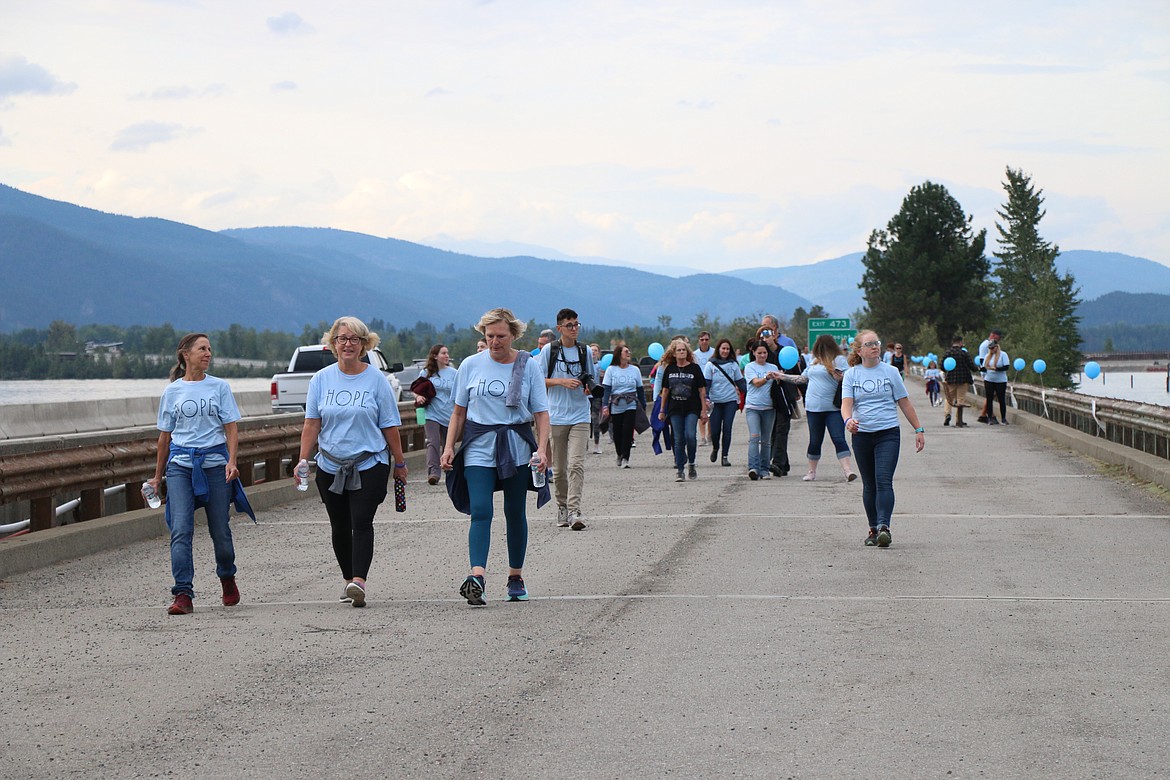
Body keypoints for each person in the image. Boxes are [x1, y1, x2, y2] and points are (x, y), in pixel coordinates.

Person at [441, 308, 550, 606]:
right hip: (478, 446)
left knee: (515, 512)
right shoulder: (470, 365)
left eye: (501, 336)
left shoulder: (528, 366)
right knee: (480, 511)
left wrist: (541, 449)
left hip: (515, 446)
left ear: (513, 335)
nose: (494, 342)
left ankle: (516, 576)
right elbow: (459, 412)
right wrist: (449, 446)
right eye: (489, 336)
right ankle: (477, 577)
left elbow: (541, 413)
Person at [297, 317, 407, 608]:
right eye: (342, 339)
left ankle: (359, 580)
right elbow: (311, 423)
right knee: (339, 525)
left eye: (354, 339)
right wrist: (303, 459)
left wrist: (399, 462)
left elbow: (390, 426)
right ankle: (348, 579)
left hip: (369, 463)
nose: (347, 344)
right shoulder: (321, 379)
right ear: (333, 344)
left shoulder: (376, 380)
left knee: (361, 520)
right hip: (330, 465)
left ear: (364, 344)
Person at [150, 333, 254, 615]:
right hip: (180, 466)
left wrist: (231, 461)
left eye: (210, 349)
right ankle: (183, 593)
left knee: (220, 530)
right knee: (181, 529)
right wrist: (157, 478)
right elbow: (164, 438)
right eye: (202, 349)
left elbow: (231, 427)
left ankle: (227, 575)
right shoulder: (172, 392)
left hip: (214, 466)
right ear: (185, 354)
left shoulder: (219, 387)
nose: (208, 353)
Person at [840, 330, 925, 548]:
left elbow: (904, 402)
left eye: (876, 343)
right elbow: (846, 404)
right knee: (869, 485)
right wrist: (848, 420)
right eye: (869, 344)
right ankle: (873, 528)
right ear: (859, 351)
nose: (875, 347)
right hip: (862, 435)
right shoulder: (852, 375)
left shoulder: (891, 372)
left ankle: (884, 527)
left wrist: (918, 429)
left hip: (888, 433)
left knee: (883, 480)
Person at [539, 308, 596, 530]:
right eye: (570, 325)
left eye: (577, 324)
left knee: (576, 464)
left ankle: (574, 511)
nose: (574, 329)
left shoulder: (585, 352)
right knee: (560, 469)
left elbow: (591, 378)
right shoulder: (549, 351)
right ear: (559, 328)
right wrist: (561, 381)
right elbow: (538, 380)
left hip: (580, 414)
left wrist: (588, 388)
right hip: (556, 415)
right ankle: (562, 506)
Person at [775, 334, 857, 482]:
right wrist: (782, 377)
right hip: (813, 408)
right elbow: (802, 378)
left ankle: (847, 470)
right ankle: (811, 471)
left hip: (833, 409)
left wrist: (836, 373)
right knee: (814, 440)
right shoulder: (814, 362)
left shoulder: (838, 360)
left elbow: (847, 377)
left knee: (838, 438)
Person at [657, 338, 708, 481]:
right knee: (678, 438)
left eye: (683, 350)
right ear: (673, 353)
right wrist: (662, 410)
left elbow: (702, 391)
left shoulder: (694, 369)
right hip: (675, 408)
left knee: (690, 436)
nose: (681, 352)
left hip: (691, 407)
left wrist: (704, 410)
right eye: (678, 350)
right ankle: (680, 469)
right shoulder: (670, 369)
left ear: (687, 352)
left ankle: (691, 463)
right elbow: (665, 391)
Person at [416, 344, 457, 485]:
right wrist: (418, 397)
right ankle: (433, 472)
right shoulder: (426, 373)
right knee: (433, 442)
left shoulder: (454, 373)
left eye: (447, 353)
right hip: (431, 413)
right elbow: (417, 388)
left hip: (449, 414)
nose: (446, 356)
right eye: (443, 353)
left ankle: (449, 469)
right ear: (435, 356)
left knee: (448, 444)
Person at [702, 337, 744, 467]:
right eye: (723, 348)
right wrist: (706, 398)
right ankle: (715, 448)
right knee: (715, 430)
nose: (725, 351)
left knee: (727, 428)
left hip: (730, 401)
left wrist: (750, 392)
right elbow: (706, 384)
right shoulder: (711, 365)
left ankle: (725, 456)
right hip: (715, 402)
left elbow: (740, 382)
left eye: (727, 349)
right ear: (718, 350)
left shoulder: (733, 365)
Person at [601, 345, 645, 468]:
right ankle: (619, 453)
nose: (628, 353)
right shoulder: (611, 370)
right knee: (617, 431)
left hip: (630, 403)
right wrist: (605, 406)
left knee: (627, 431)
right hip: (616, 404)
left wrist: (643, 405)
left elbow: (640, 389)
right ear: (619, 354)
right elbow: (607, 390)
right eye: (626, 351)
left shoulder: (635, 370)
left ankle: (626, 457)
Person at [743, 342, 782, 481]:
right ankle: (753, 467)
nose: (762, 355)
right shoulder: (749, 367)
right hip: (753, 407)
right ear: (753, 352)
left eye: (764, 353)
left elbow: (779, 385)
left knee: (766, 440)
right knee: (754, 437)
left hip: (769, 408)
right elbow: (756, 383)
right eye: (759, 353)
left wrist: (779, 377)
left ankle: (764, 469)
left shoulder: (773, 367)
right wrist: (767, 377)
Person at [942, 334, 980, 428]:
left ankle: (947, 414)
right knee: (960, 399)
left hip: (951, 379)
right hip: (963, 380)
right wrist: (978, 368)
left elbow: (942, 366)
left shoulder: (948, 353)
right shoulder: (964, 353)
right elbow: (971, 366)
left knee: (949, 399)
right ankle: (958, 420)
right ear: (960, 342)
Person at [693, 331, 715, 446]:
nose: (704, 342)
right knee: (702, 410)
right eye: (702, 340)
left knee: (710, 410)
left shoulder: (714, 353)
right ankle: (702, 436)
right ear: (699, 341)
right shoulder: (694, 355)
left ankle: (710, 435)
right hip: (698, 386)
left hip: (711, 385)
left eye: (706, 339)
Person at [982, 339, 1011, 425]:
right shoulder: (987, 356)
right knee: (989, 399)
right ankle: (990, 417)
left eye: (992, 348)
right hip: (989, 379)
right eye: (990, 348)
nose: (991, 350)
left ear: (996, 347)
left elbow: (1006, 367)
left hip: (1000, 380)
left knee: (1001, 399)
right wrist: (982, 369)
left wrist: (997, 369)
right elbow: (984, 367)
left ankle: (1003, 418)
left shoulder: (1003, 355)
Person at [977, 329, 1003, 423]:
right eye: (998, 337)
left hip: (989, 372)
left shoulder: (987, 344)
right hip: (989, 373)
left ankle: (984, 414)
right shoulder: (986, 345)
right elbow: (983, 360)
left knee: (992, 394)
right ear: (994, 336)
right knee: (991, 394)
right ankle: (987, 414)